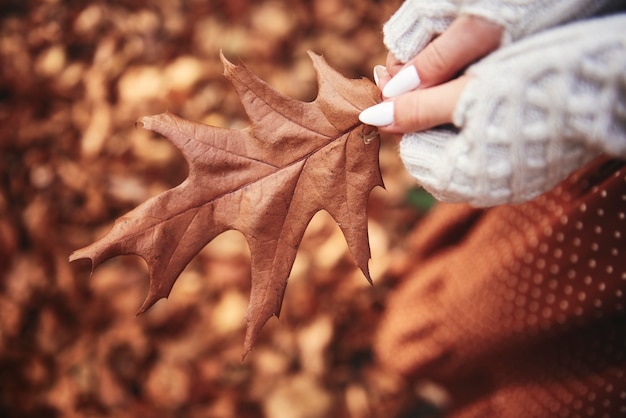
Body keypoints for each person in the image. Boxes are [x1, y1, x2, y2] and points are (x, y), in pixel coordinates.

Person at [360, 1, 626, 417]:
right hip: (595, 188)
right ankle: (453, 381)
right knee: (485, 295)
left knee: (550, 356)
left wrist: (597, 87)